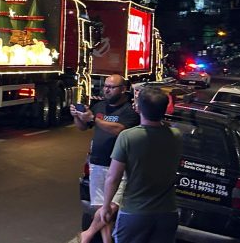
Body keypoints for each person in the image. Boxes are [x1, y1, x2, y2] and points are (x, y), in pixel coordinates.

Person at [97, 86, 182, 243]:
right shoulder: (176, 135)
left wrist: (106, 205)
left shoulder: (129, 137)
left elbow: (113, 177)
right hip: (168, 213)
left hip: (135, 213)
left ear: (139, 108)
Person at [71, 74, 139, 243]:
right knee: (100, 207)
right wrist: (77, 116)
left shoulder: (129, 111)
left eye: (111, 87)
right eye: (105, 86)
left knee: (111, 206)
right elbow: (82, 127)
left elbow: (119, 130)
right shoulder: (99, 106)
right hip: (97, 164)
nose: (106, 89)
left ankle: (87, 235)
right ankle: (106, 240)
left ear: (123, 89)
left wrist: (94, 119)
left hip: (118, 166)